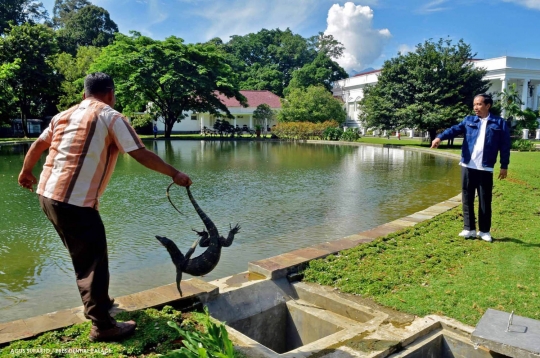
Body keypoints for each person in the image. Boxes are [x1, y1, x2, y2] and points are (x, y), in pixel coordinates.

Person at [18, 72, 192, 342]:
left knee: (84, 254)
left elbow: (39, 144)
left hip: (47, 195)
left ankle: (100, 301)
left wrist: (26, 171)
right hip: (73, 201)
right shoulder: (111, 116)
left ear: (84, 94)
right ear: (110, 93)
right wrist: (175, 174)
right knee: (93, 260)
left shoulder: (62, 116)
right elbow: (139, 153)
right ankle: (103, 326)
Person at [431, 93, 510, 242]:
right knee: (467, 198)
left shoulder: (499, 123)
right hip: (468, 165)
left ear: (488, 105)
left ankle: (484, 231)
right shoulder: (468, 120)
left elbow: (505, 146)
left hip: (485, 167)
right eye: (474, 104)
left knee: (485, 200)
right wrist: (439, 137)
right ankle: (469, 229)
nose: (476, 108)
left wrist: (504, 166)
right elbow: (453, 130)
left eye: (479, 104)